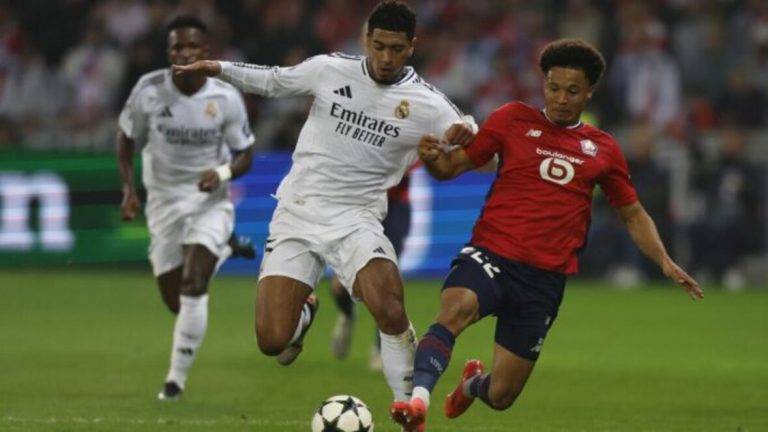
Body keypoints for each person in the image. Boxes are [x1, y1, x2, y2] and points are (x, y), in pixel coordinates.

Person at [390, 39, 703, 431]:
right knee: (456, 309)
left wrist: (664, 261)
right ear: (544, 85)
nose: (560, 99)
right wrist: (434, 160)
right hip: (491, 253)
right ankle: (416, 403)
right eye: (553, 88)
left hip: (543, 280)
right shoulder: (511, 119)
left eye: (572, 91)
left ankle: (470, 385)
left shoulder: (603, 149)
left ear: (589, 92)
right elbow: (451, 168)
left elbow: (633, 213)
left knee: (502, 395)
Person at [173, 0, 476, 404]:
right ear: (366, 39)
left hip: (358, 218)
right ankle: (304, 315)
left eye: (396, 49)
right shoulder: (330, 69)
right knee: (272, 341)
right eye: (379, 46)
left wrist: (462, 136)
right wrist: (218, 68)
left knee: (388, 307)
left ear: (412, 47)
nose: (386, 58)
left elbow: (467, 131)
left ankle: (407, 407)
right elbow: (273, 81)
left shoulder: (426, 102)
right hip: (299, 209)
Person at [116, 15, 255, 401]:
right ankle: (227, 248)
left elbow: (246, 154)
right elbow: (125, 138)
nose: (184, 52)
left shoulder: (225, 98)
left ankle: (174, 382)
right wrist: (129, 189)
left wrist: (223, 170)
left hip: (208, 200)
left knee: (195, 287)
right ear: (168, 52)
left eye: (192, 46)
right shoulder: (149, 90)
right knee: (176, 302)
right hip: (162, 202)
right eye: (177, 46)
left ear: (205, 51)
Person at [330, 169, 415, 370]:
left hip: (394, 209)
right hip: (359, 209)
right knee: (339, 286)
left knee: (384, 282)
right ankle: (347, 314)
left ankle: (381, 349)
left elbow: (410, 164)